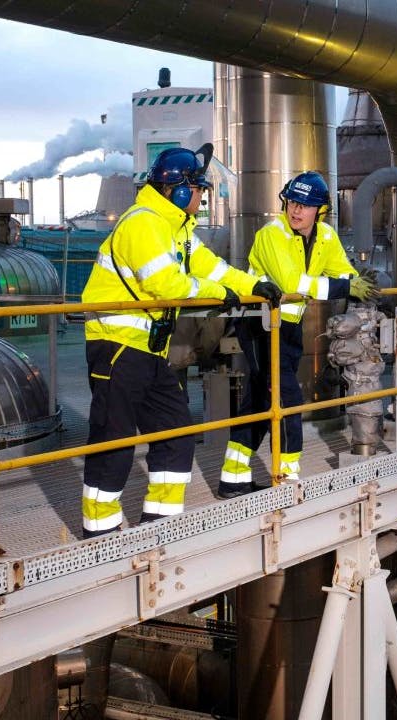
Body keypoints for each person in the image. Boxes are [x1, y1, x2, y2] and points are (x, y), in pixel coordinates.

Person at [80, 144, 284, 538]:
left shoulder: (178, 230)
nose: (202, 198)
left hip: (149, 349)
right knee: (114, 436)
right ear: (178, 190)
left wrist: (254, 286)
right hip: (115, 345)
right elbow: (165, 285)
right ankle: (99, 531)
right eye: (199, 190)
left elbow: (216, 268)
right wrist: (217, 294)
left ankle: (161, 523)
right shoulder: (143, 223)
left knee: (175, 431)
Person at [219, 170, 377, 496]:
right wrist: (346, 286)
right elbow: (293, 284)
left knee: (259, 400)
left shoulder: (326, 236)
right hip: (259, 324)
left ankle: (232, 477)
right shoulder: (271, 234)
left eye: (304, 205)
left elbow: (342, 271)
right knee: (287, 399)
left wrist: (360, 284)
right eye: (292, 202)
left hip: (288, 325)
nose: (295, 210)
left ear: (320, 210)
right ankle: (287, 478)